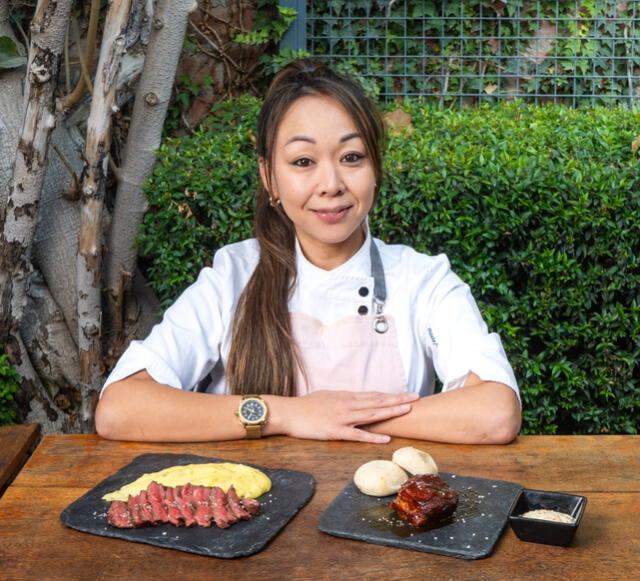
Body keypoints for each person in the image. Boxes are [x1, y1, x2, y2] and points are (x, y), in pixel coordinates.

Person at [95, 59, 521, 445]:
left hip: (384, 519)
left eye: (351, 157)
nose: (331, 183)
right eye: (303, 162)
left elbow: (494, 412)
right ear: (270, 177)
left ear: (375, 169)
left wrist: (342, 418)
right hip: (252, 520)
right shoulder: (233, 277)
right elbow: (121, 409)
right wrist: (290, 414)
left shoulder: (423, 280)